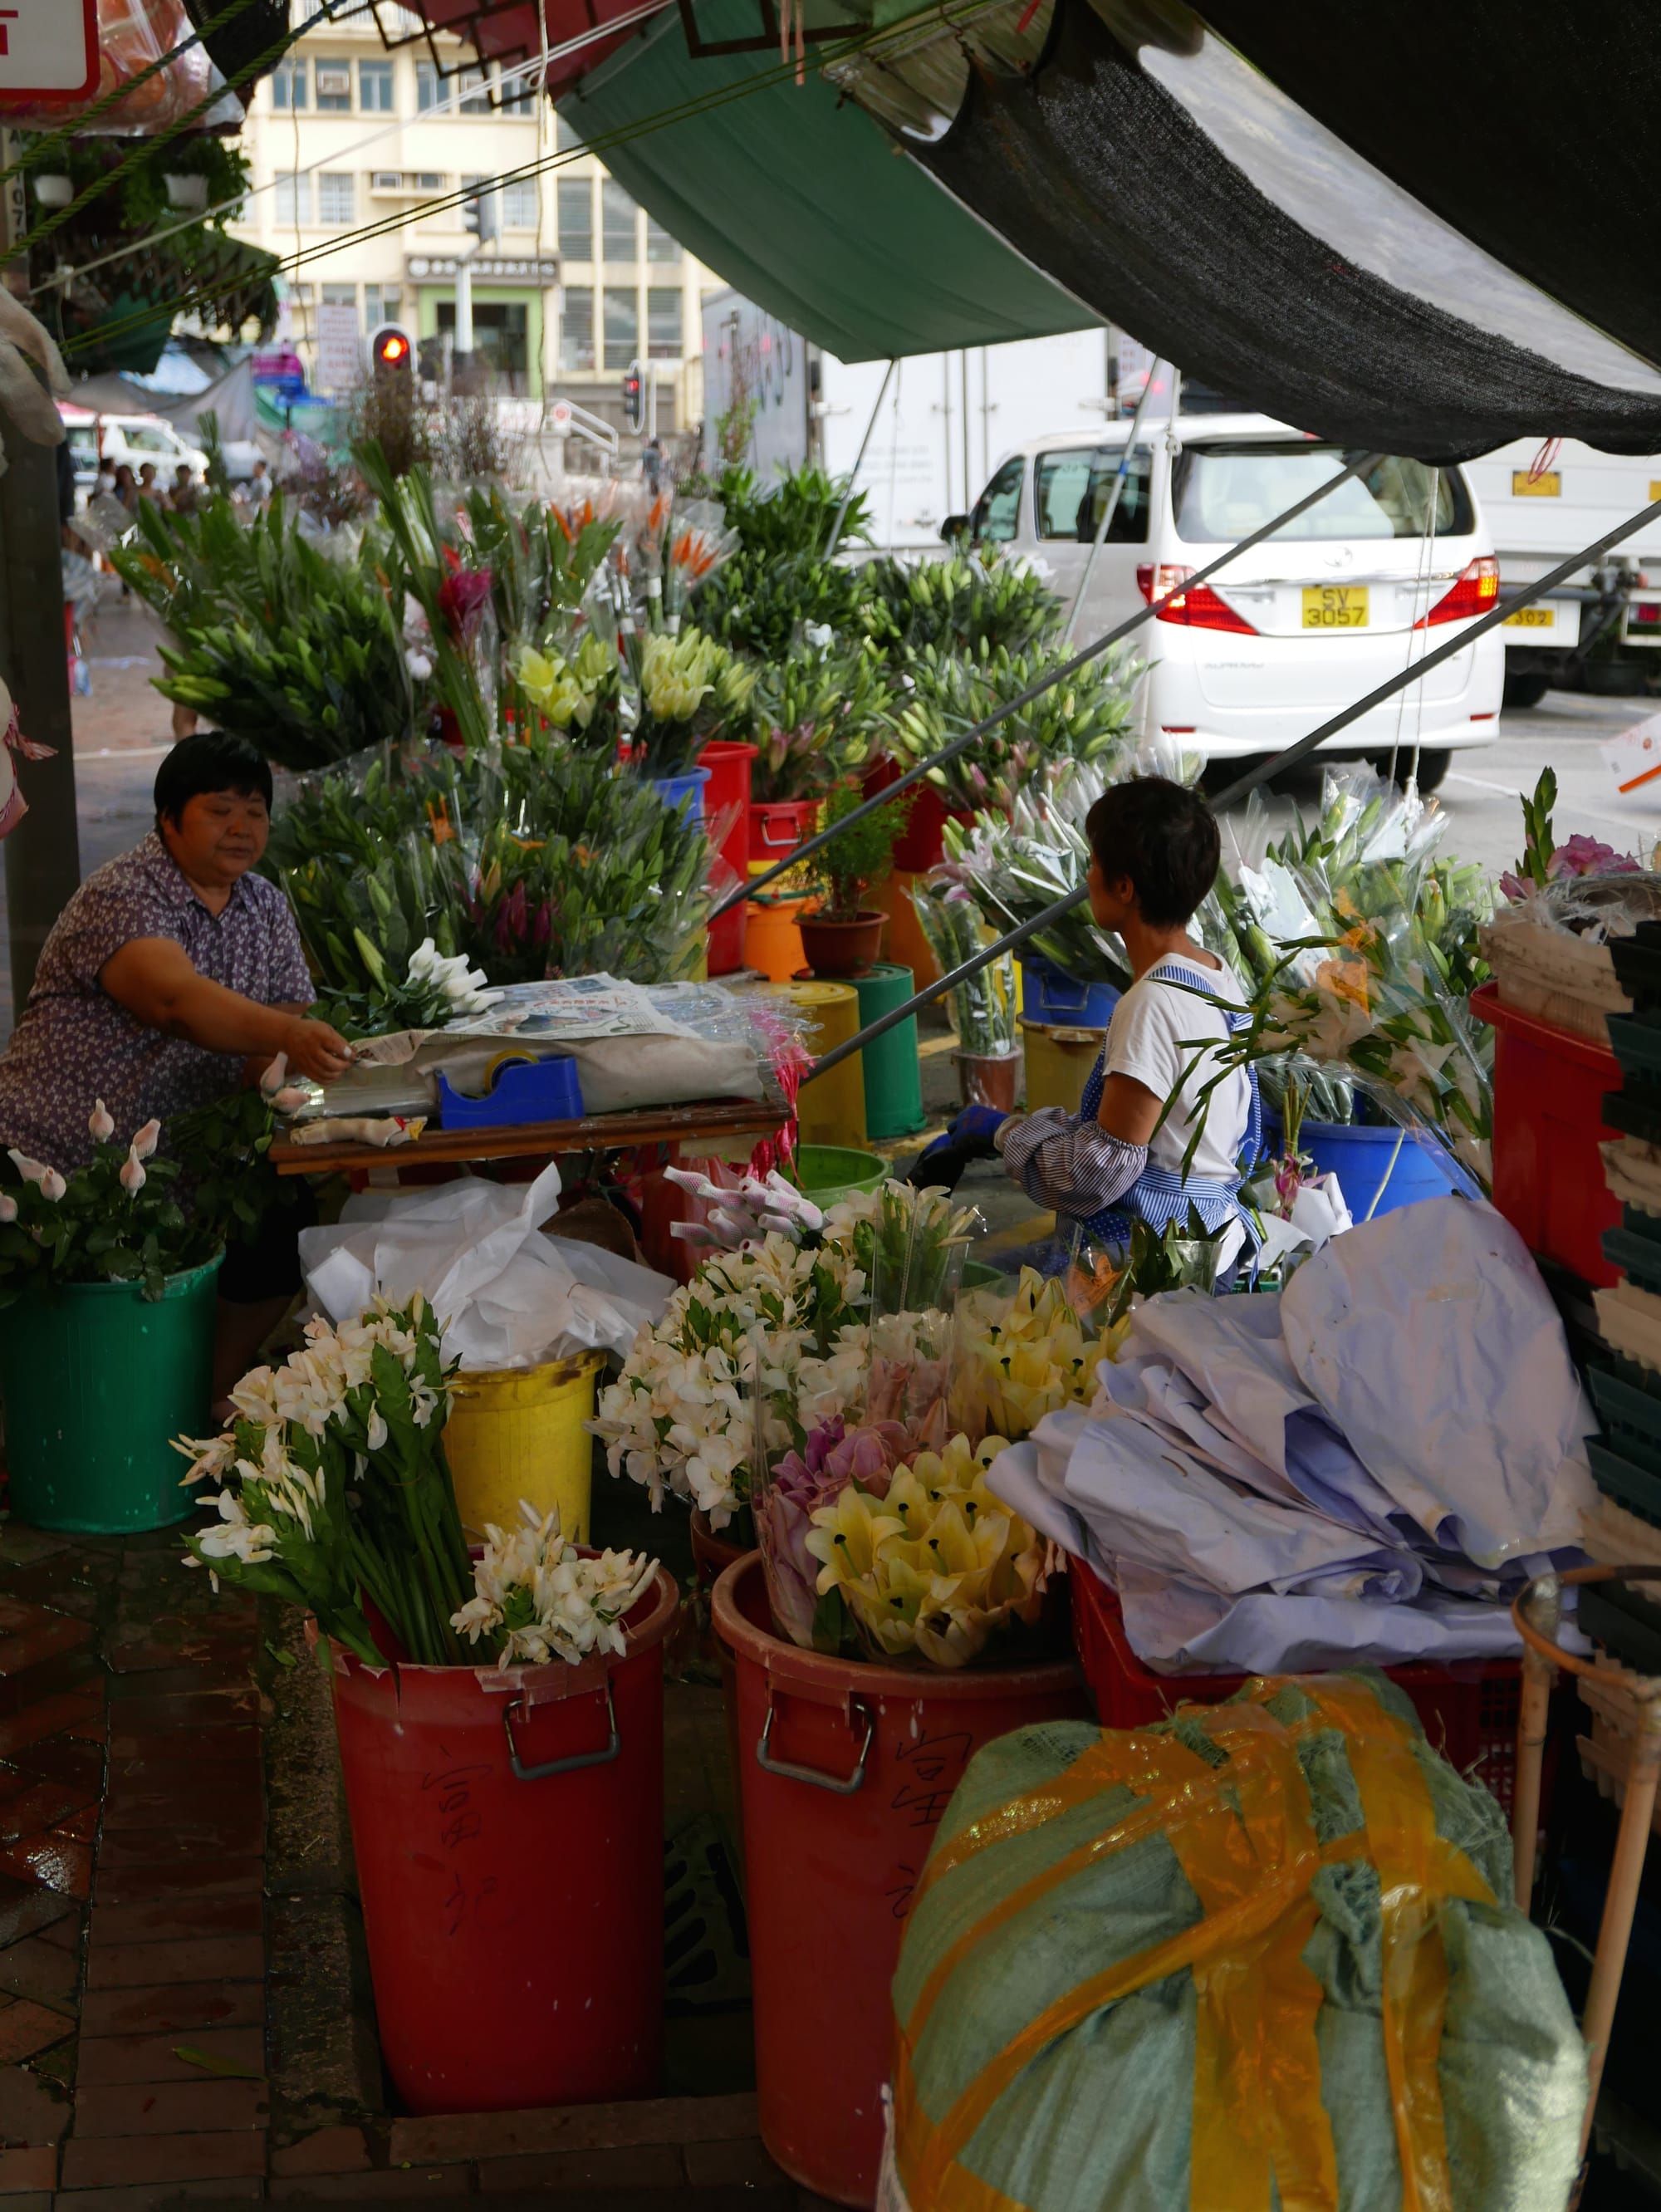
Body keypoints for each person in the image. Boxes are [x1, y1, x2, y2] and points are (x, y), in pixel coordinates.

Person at [0, 731, 353, 1390]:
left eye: (255, 811)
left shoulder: (266, 905)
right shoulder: (124, 892)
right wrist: (287, 1033)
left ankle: (200, 1402)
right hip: (69, 1162)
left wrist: (337, 1064)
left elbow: (277, 1044)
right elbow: (174, 1001)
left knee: (280, 1231)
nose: (242, 828)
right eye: (220, 809)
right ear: (168, 817)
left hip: (188, 1163)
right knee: (78, 1345)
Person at [913, 776, 1260, 1279]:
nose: (1087, 877)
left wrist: (1003, 1132)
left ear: (1124, 887)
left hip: (1160, 1265)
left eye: (1094, 864)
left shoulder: (1152, 1005)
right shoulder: (1215, 975)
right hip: (1212, 1241)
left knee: (976, 1299)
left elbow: (1099, 1171)